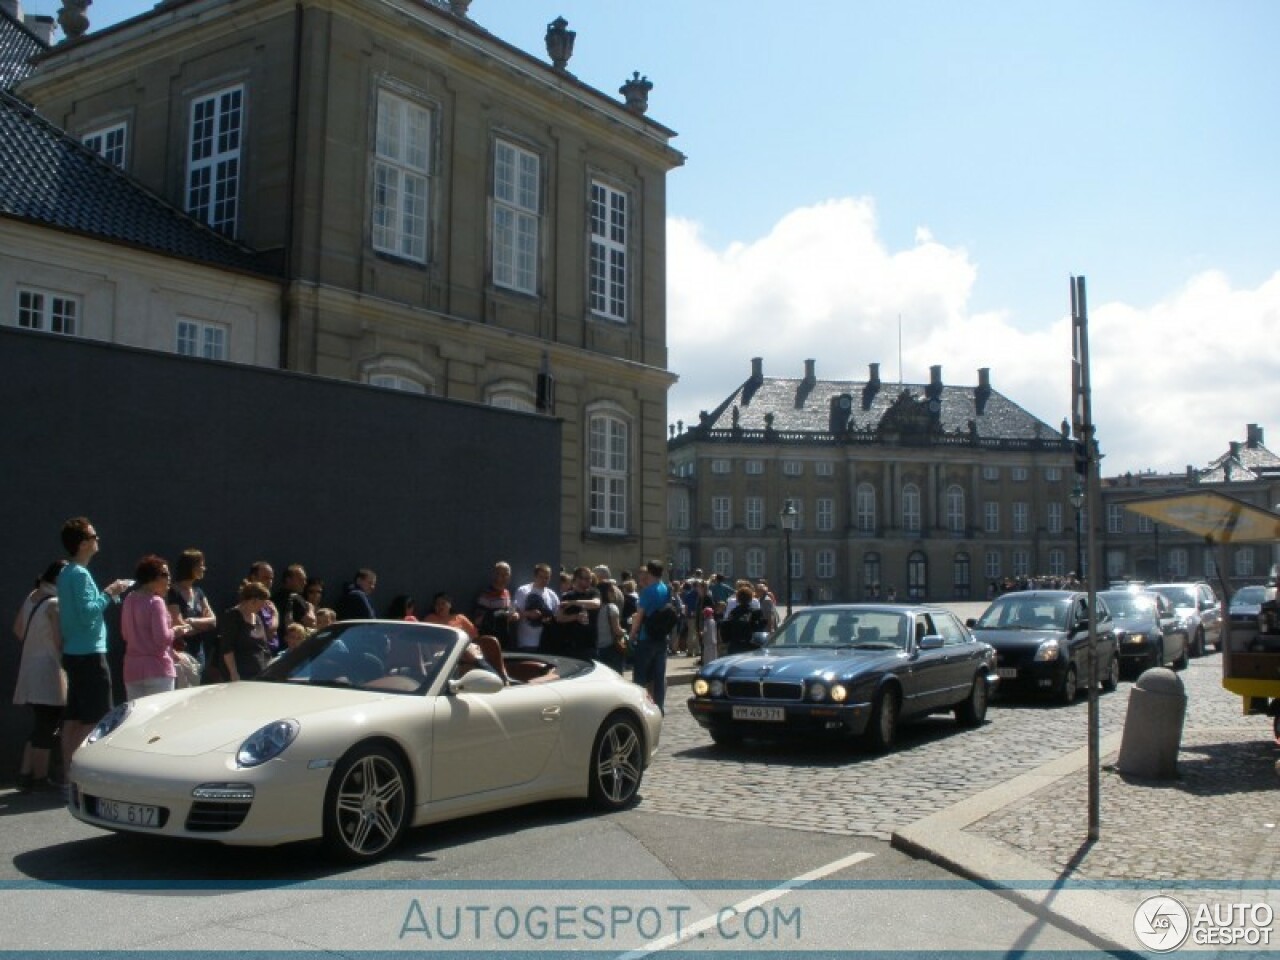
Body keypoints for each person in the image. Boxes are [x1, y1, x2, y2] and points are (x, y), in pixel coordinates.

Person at [56, 517, 130, 783]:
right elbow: (88, 613)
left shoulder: (65, 573)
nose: (98, 540)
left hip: (74, 653)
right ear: (83, 543)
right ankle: (90, 775)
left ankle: (69, 773)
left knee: (74, 716)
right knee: (97, 717)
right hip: (89, 653)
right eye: (94, 536)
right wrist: (110, 592)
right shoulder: (80, 574)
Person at [12, 561, 67, 791]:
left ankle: (26, 773)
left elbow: (17, 630)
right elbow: (59, 641)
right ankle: (40, 777)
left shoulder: (33, 596)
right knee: (48, 724)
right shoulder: (55, 603)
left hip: (29, 667)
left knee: (40, 723)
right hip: (49, 669)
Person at [121, 555, 191, 699]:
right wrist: (177, 630)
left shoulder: (129, 599)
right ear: (153, 577)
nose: (169, 579)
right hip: (158, 669)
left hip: (132, 670)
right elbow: (162, 638)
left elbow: (125, 634)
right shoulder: (156, 602)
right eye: (165, 574)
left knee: (136, 718)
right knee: (160, 718)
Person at [628, 559, 672, 710]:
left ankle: (639, 708)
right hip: (661, 637)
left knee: (640, 677)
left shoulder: (647, 591)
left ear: (650, 572)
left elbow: (639, 615)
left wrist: (632, 633)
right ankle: (659, 708)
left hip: (646, 637)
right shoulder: (665, 588)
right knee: (658, 677)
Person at [211, 580, 272, 682]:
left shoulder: (257, 618)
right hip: (240, 674)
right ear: (253, 600)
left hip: (259, 674)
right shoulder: (232, 617)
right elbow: (227, 648)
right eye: (262, 602)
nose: (263, 607)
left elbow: (264, 647)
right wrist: (234, 673)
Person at [166, 549, 217, 667]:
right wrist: (204, 625)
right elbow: (179, 625)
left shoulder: (199, 592)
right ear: (191, 567)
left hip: (199, 651)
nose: (204, 568)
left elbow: (213, 621)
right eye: (201, 565)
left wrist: (191, 621)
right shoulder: (173, 592)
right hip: (181, 651)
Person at [556, 566, 601, 660]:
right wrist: (576, 617)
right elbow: (559, 618)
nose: (589, 581)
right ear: (576, 579)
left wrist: (573, 603)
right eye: (586, 578)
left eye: (590, 578)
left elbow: (596, 603)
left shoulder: (593, 592)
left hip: (590, 643)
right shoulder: (567, 596)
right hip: (571, 644)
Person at [513, 563, 558, 652]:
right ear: (535, 576)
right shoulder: (523, 591)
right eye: (541, 577)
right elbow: (514, 614)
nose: (544, 580)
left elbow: (558, 615)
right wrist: (529, 614)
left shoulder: (552, 594)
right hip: (526, 642)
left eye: (547, 577)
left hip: (546, 642)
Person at [472, 561, 514, 648]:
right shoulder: (486, 594)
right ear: (495, 575)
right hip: (490, 640)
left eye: (507, 574)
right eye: (501, 575)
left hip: (504, 639)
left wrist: (513, 614)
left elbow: (508, 612)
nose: (504, 577)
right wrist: (502, 614)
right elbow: (478, 620)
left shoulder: (507, 592)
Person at [273, 563, 316, 634]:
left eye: (305, 580)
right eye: (300, 579)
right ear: (288, 580)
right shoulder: (292, 598)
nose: (304, 583)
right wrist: (310, 610)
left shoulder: (275, 598)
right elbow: (309, 620)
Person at [247, 561, 280, 650]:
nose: (269, 582)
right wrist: (275, 615)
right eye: (265, 578)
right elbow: (268, 633)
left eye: (271, 578)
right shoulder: (251, 602)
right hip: (260, 654)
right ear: (254, 578)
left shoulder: (268, 603)